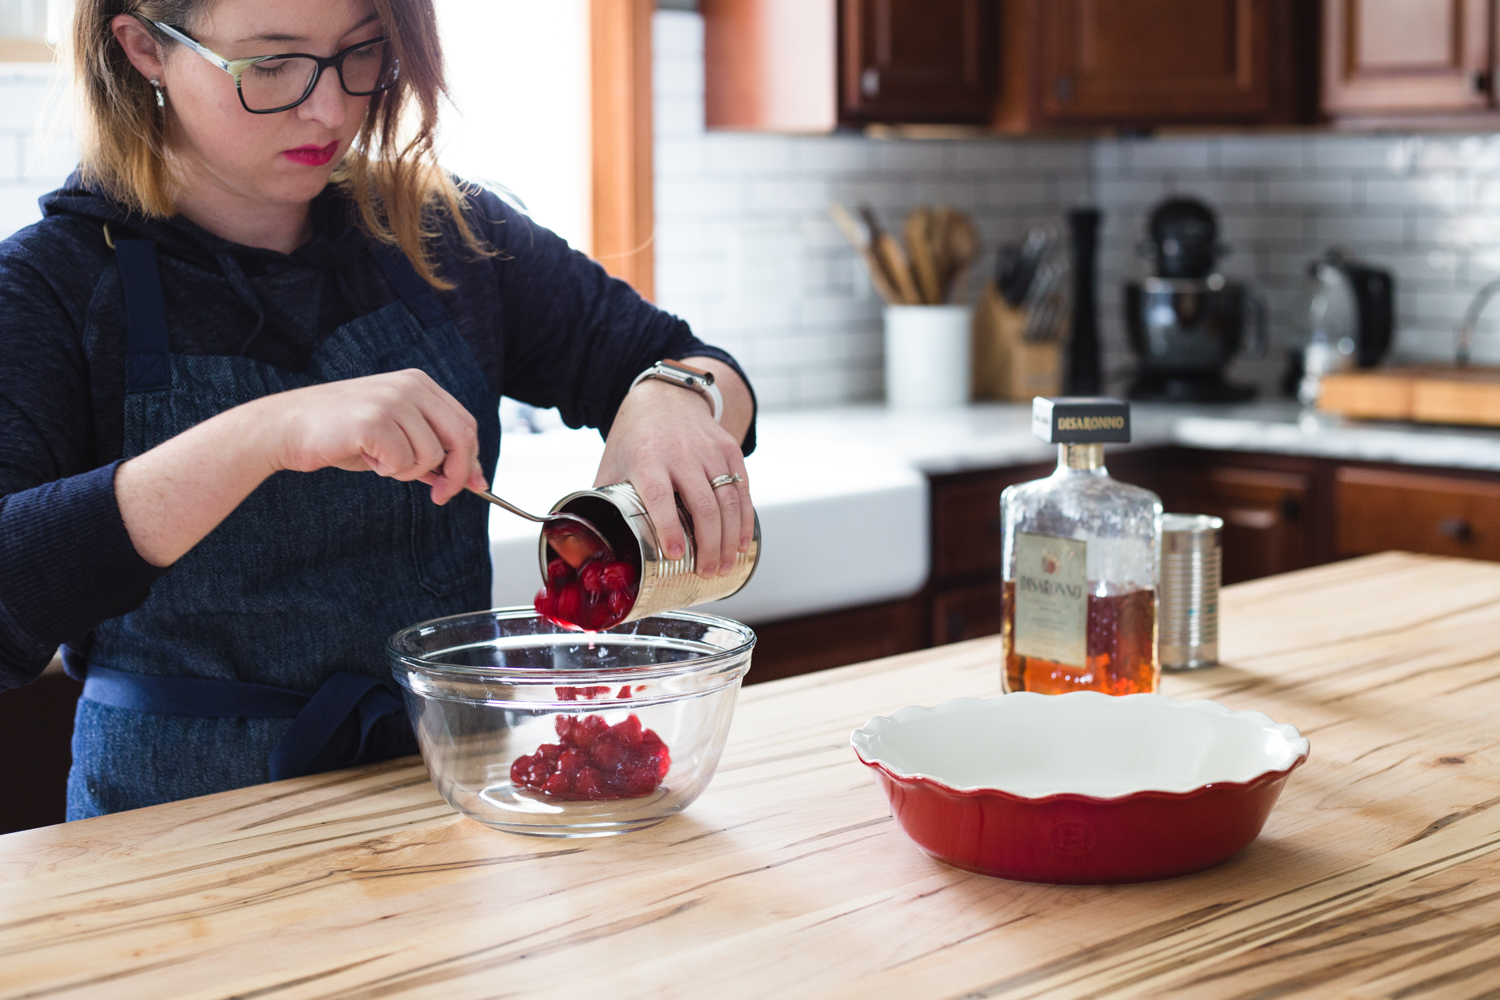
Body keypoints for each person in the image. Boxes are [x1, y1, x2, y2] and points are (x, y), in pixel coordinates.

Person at [0, 0, 756, 819]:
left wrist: (675, 395)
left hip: (439, 806)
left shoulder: (448, 237)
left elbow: (696, 363)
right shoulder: (52, 286)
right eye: (272, 64)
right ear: (145, 47)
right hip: (169, 833)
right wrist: (263, 434)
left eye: (361, 53)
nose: (330, 107)